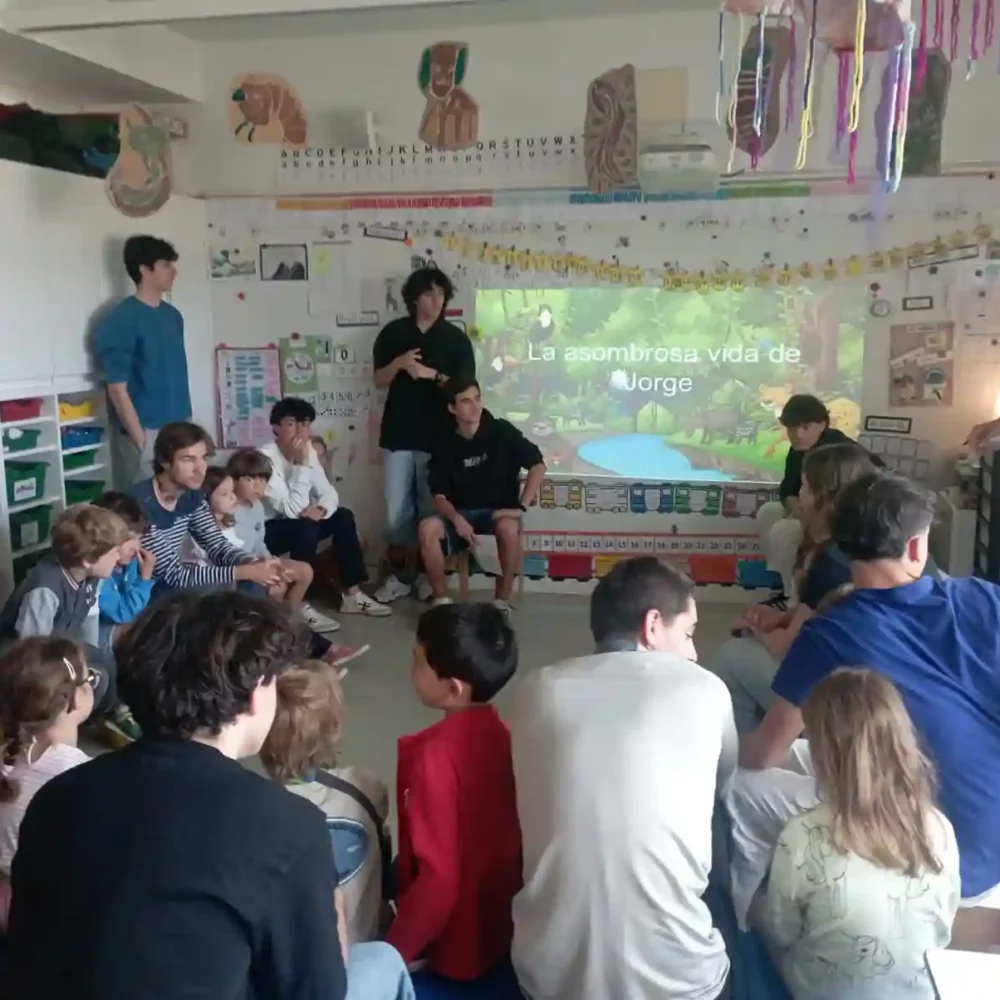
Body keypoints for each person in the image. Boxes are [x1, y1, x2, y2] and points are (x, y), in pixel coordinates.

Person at [4, 591, 415, 1000]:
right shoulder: (288, 826)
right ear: (255, 694)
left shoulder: (58, 794)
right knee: (380, 961)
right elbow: (316, 991)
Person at [728, 472, 1000, 930]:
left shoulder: (830, 634)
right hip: (985, 838)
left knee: (741, 790)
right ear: (916, 547)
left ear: (841, 544)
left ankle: (745, 931)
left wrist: (712, 748)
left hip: (948, 863)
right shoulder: (986, 599)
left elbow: (764, 755)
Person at [509, 556, 736, 1000]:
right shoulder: (704, 687)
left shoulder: (536, 689)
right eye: (688, 634)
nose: (693, 652)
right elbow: (723, 785)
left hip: (547, 983)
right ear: (652, 626)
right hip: (684, 989)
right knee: (721, 814)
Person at [759, 668, 960, 1000]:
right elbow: (945, 922)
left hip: (820, 992)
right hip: (921, 993)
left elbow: (781, 931)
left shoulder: (802, 835)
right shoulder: (939, 827)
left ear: (822, 753)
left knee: (749, 919)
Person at [387, 603, 521, 992]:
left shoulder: (433, 759)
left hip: (455, 943)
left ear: (453, 688)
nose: (410, 670)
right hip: (500, 925)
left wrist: (392, 954)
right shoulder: (507, 734)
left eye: (418, 661)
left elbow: (439, 880)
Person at [710, 442, 877, 734]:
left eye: (805, 487)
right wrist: (782, 617)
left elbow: (783, 647)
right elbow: (821, 614)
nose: (799, 495)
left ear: (823, 496)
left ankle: (747, 756)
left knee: (732, 655)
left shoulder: (830, 561)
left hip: (839, 702)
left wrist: (755, 629)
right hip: (869, 691)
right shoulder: (866, 543)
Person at [189, 465, 369, 675]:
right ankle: (305, 661)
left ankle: (308, 658)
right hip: (214, 592)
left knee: (273, 601)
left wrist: (263, 566)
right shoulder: (195, 530)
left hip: (235, 584)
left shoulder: (227, 523)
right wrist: (254, 571)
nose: (233, 498)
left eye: (231, 492)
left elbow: (237, 553)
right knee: (265, 608)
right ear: (204, 500)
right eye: (224, 494)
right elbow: (206, 572)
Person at [260, 662, 391, 944]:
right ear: (334, 729)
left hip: (305, 959)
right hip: (368, 945)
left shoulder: (256, 811)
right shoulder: (367, 786)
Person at [372, 267, 476, 604]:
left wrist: (432, 374)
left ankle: (427, 576)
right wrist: (400, 363)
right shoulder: (394, 333)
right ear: (414, 298)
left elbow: (466, 388)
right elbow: (378, 379)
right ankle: (398, 576)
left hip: (439, 440)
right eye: (429, 294)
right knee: (396, 514)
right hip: (398, 436)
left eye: (441, 294)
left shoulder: (456, 340)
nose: (436, 301)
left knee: (430, 513)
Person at [0, 503, 138, 744]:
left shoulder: (92, 577)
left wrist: (87, 658)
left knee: (106, 662)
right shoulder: (46, 588)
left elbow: (90, 620)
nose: (119, 558)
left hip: (62, 645)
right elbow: (32, 651)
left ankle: (106, 714)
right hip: (30, 660)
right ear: (88, 559)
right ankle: (58, 728)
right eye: (113, 552)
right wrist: (76, 675)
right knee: (95, 680)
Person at [259, 398, 391, 625]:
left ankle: (352, 594)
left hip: (300, 521)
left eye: (305, 424)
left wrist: (321, 509)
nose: (300, 432)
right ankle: (301, 603)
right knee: (304, 527)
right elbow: (291, 510)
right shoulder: (265, 458)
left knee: (343, 516)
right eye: (291, 424)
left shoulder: (309, 450)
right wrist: (301, 465)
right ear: (276, 427)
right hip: (267, 530)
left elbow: (329, 493)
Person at [419, 376, 545, 611]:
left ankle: (502, 602)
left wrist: (522, 506)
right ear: (452, 408)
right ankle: (442, 602)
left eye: (477, 399)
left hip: (498, 514)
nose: (475, 406)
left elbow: (538, 465)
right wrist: (456, 519)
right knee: (427, 528)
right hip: (460, 515)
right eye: (466, 401)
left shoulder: (501, 431)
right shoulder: (444, 442)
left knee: (508, 528)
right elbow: (439, 496)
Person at [0, 637, 96, 929]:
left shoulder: (8, 753)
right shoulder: (80, 776)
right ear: (74, 700)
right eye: (89, 679)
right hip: (32, 915)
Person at [129, 422, 282, 597]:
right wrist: (245, 571)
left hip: (175, 585)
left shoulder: (191, 495)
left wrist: (253, 562)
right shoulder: (140, 503)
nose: (200, 469)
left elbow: (217, 545)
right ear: (164, 461)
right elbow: (174, 576)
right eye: (188, 459)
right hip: (143, 591)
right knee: (221, 584)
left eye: (204, 458)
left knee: (253, 582)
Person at [93, 235, 191, 484]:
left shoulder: (173, 316)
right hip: (146, 431)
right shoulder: (122, 319)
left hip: (179, 427)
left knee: (182, 498)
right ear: (145, 270)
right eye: (165, 265)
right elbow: (117, 388)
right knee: (146, 502)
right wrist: (141, 441)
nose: (173, 271)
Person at [754, 395, 854, 601]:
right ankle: (783, 582)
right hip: (808, 508)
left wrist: (806, 514)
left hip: (839, 518)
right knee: (768, 513)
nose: (797, 434)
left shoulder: (838, 452)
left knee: (786, 529)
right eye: (791, 428)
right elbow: (788, 487)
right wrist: (795, 505)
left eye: (805, 427)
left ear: (822, 425)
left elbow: (839, 500)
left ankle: (793, 599)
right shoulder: (798, 449)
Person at [92, 491, 156, 650]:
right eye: (128, 539)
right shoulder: (98, 571)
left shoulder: (129, 561)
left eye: (139, 538)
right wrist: (144, 579)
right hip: (94, 634)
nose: (136, 546)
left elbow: (134, 610)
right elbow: (122, 613)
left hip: (118, 624)